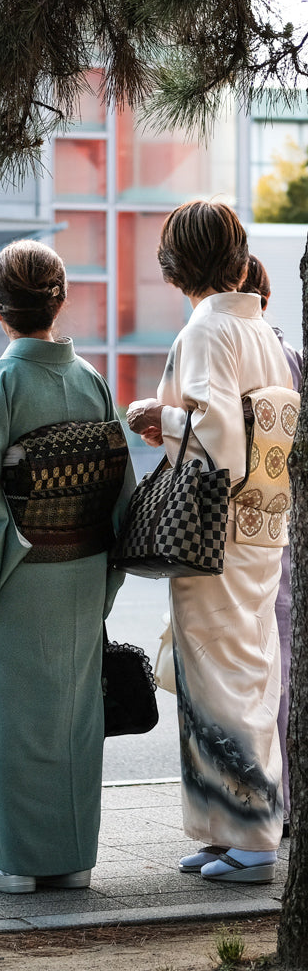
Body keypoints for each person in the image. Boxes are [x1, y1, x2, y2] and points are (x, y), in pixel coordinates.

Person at [0, 239, 135, 894]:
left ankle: (17, 861)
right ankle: (74, 856)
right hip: (79, 575)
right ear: (60, 300)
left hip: (13, 576)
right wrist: (103, 578)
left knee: (13, 721)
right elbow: (118, 495)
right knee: (74, 720)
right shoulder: (92, 381)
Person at [127, 201, 293, 885]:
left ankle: (251, 834)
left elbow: (220, 437)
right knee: (244, 668)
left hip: (214, 526)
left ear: (177, 261)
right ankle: (226, 827)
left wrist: (154, 415)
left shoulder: (206, 329)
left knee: (221, 679)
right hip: (261, 522)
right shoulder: (254, 324)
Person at [240, 254, 302, 837]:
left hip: (256, 529)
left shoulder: (256, 355)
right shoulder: (294, 359)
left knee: (264, 672)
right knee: (275, 666)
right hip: (286, 530)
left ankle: (266, 807)